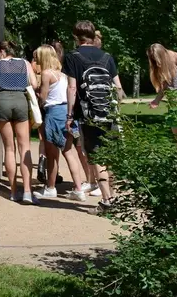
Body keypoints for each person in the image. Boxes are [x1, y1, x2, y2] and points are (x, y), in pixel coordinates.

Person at [63, 21, 124, 215]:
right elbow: (119, 88)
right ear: (93, 35)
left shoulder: (73, 56)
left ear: (76, 37)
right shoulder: (107, 57)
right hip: (110, 113)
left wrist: (70, 114)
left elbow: (72, 88)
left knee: (97, 156)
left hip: (88, 114)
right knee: (110, 155)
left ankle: (107, 201)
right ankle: (113, 196)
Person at [32, 45, 85, 201]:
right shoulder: (63, 75)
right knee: (68, 151)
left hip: (53, 113)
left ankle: (50, 187)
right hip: (66, 112)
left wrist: (35, 92)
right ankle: (79, 189)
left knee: (52, 154)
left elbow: (43, 96)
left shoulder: (47, 74)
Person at [0, 41, 39, 204]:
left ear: (2, 51)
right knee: (24, 147)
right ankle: (27, 191)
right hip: (20, 100)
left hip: (3, 100)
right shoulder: (25, 63)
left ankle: (13, 191)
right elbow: (34, 84)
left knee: (9, 148)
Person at [147, 43, 177, 108]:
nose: (157, 64)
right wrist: (156, 100)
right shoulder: (164, 65)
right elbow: (165, 85)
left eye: (157, 60)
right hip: (174, 103)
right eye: (154, 60)